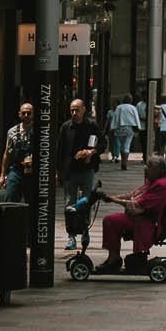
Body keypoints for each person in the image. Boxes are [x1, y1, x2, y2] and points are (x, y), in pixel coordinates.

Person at [96, 157, 166, 272]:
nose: (145, 168)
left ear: (158, 170)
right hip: (142, 218)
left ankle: (114, 258)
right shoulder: (154, 181)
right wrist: (112, 197)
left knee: (110, 221)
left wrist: (113, 200)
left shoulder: (161, 184)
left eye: (149, 166)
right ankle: (114, 257)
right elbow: (133, 194)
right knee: (113, 220)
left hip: (145, 222)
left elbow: (137, 204)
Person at [57, 98, 101, 251]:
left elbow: (102, 144)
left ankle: (85, 230)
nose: (74, 113)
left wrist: (91, 152)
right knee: (70, 204)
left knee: (85, 202)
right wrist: (58, 172)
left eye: (77, 109)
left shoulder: (91, 126)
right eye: (72, 110)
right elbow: (60, 151)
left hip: (87, 170)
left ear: (84, 110)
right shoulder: (65, 127)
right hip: (70, 171)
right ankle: (71, 236)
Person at [0, 102, 34, 202]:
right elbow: (7, 153)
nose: (26, 115)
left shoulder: (39, 131)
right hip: (17, 170)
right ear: (19, 114)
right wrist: (2, 175)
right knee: (10, 198)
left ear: (33, 114)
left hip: (33, 172)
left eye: (29, 113)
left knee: (32, 202)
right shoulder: (12, 131)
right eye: (24, 113)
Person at [106, 94, 138, 170]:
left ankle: (122, 160)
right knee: (127, 145)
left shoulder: (119, 108)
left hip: (120, 129)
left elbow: (115, 118)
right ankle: (124, 162)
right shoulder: (133, 108)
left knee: (121, 145)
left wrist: (113, 127)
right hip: (129, 128)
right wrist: (137, 128)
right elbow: (136, 118)